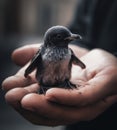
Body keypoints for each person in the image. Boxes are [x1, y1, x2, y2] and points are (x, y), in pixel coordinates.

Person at [2, 0, 117, 129]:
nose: (70, 38)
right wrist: (29, 71)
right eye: (61, 37)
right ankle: (45, 85)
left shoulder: (68, 51)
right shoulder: (44, 51)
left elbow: (77, 48)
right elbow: (82, 30)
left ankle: (65, 82)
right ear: (52, 39)